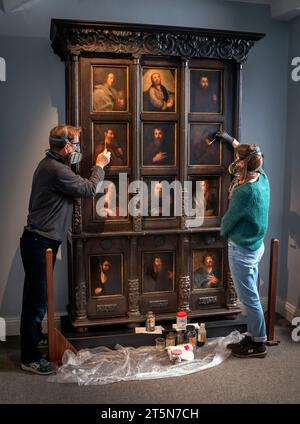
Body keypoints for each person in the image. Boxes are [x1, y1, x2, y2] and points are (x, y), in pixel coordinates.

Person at [20, 124, 111, 375]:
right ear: (67, 146)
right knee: (36, 302)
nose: (79, 148)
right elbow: (88, 189)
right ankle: (29, 357)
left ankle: (34, 341)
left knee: (37, 298)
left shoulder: (52, 165)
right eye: (77, 143)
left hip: (39, 240)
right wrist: (100, 165)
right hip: (39, 242)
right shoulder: (54, 169)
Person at [215, 130, 270, 358]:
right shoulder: (262, 176)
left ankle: (258, 343)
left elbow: (229, 219)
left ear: (245, 164)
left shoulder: (245, 192)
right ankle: (256, 334)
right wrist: (231, 141)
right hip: (255, 246)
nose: (235, 163)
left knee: (249, 298)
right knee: (252, 295)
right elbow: (250, 155)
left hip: (242, 251)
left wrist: (222, 232)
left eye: (238, 160)